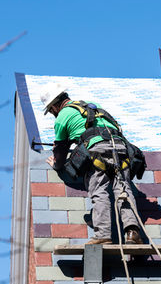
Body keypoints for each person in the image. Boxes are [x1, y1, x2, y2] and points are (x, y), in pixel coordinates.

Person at [40, 82, 143, 245]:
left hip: (97, 151)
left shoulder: (62, 117)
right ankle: (132, 233)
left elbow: (60, 151)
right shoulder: (93, 107)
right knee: (123, 189)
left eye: (51, 111)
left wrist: (57, 165)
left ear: (53, 107)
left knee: (99, 190)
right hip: (121, 149)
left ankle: (102, 235)